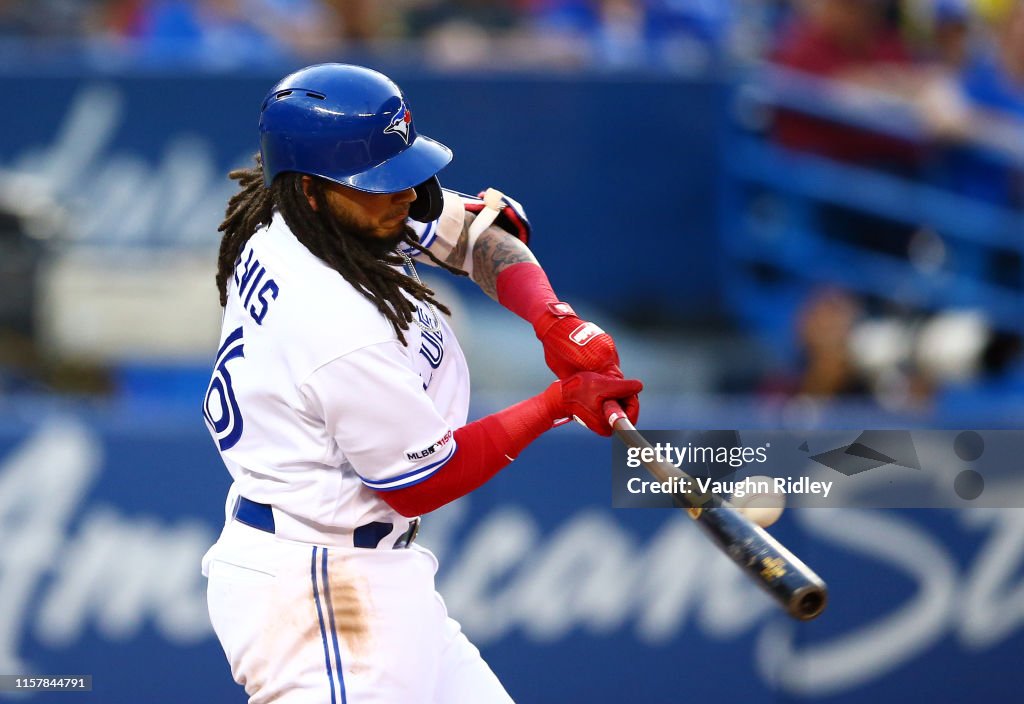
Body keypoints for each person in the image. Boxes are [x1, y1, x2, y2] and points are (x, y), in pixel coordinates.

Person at [199, 63, 642, 703]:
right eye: (378, 183)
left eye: (401, 172)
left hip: (366, 570)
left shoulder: (305, 217)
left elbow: (480, 238)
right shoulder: (332, 322)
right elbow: (423, 483)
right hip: (321, 592)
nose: (403, 195)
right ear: (311, 190)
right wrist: (559, 403)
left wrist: (554, 321)